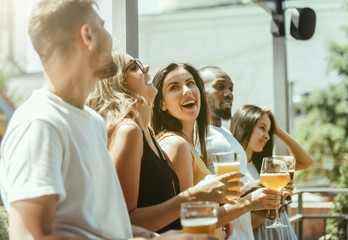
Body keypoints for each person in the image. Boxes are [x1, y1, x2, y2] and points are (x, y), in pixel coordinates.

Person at [0, 1, 217, 239]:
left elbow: (102, 226)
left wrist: (159, 238)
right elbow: (32, 236)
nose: (110, 36)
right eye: (103, 26)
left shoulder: (92, 122)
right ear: (88, 36)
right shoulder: (40, 122)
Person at [87, 52, 242, 234]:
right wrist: (196, 196)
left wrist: (213, 214)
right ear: (117, 82)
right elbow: (124, 221)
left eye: (191, 83)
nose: (146, 68)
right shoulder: (129, 131)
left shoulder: (149, 133)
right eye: (134, 67)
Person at [151, 63, 282, 240]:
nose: (187, 90)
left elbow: (197, 209)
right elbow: (186, 219)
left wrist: (220, 214)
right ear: (162, 103)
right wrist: (247, 203)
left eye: (190, 83)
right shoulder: (176, 145)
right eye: (174, 87)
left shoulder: (185, 143)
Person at [230, 105, 313, 240]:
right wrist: (275, 201)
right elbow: (245, 225)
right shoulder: (232, 168)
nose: (267, 136)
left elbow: (306, 161)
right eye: (262, 128)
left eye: (269, 131)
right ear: (244, 126)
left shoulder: (266, 166)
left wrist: (278, 130)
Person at [198, 66, 255, 240]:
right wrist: (248, 191)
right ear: (200, 90)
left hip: (242, 233)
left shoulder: (225, 131)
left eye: (231, 88)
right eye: (220, 86)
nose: (229, 93)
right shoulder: (196, 132)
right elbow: (197, 190)